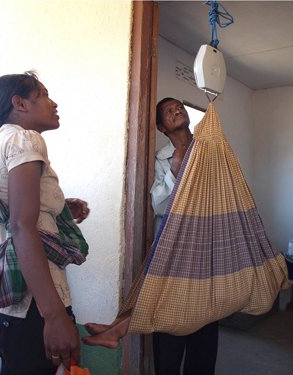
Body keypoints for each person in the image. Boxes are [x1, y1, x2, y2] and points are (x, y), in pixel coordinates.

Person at [0, 71, 90, 375]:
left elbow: (11, 213)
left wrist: (58, 210)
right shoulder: (24, 138)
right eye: (44, 95)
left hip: (10, 304)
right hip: (36, 304)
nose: (53, 102)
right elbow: (21, 226)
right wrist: (55, 316)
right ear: (19, 103)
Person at [82, 98, 219, 375]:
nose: (176, 111)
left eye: (179, 107)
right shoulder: (162, 159)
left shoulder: (209, 149)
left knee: (203, 321)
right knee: (165, 306)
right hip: (174, 244)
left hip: (206, 246)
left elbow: (221, 193)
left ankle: (118, 328)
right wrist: (174, 170)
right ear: (160, 127)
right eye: (168, 111)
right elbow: (158, 206)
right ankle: (118, 328)